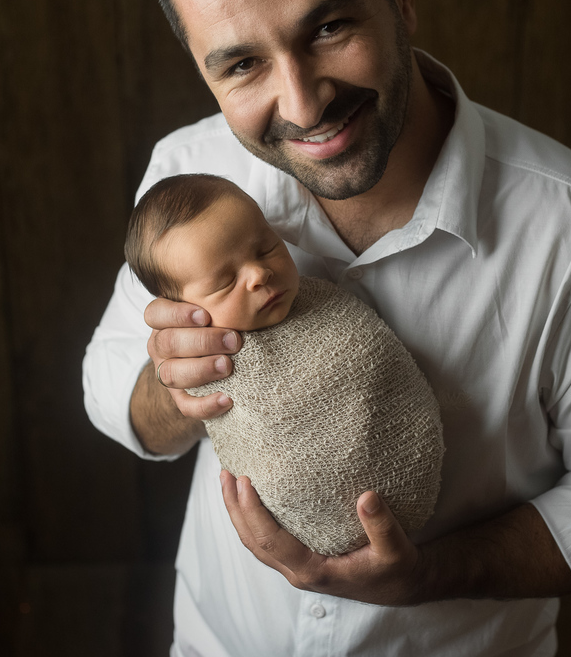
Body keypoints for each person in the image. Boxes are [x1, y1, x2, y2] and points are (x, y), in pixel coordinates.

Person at [83, 0, 571, 654]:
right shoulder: (187, 177)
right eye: (242, 64)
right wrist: (176, 387)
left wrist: (430, 576)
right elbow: (109, 391)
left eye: (329, 29)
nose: (304, 104)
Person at [122, 172, 444, 557]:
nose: (259, 274)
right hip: (281, 537)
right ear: (181, 310)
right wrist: (180, 370)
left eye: (266, 248)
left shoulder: (325, 303)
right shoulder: (207, 353)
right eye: (225, 281)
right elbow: (110, 394)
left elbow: (375, 361)